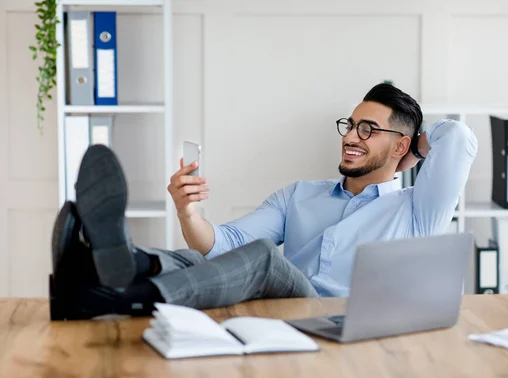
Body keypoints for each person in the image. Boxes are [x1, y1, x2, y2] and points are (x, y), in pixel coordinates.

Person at [49, 83, 477, 320]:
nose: (349, 136)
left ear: (400, 144)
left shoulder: (418, 210)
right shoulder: (299, 195)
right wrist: (188, 211)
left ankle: (123, 295)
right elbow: (224, 242)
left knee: (266, 260)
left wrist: (415, 150)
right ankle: (99, 271)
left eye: (367, 129)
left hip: (337, 321)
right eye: (350, 125)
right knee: (195, 259)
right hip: (283, 308)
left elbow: (457, 137)